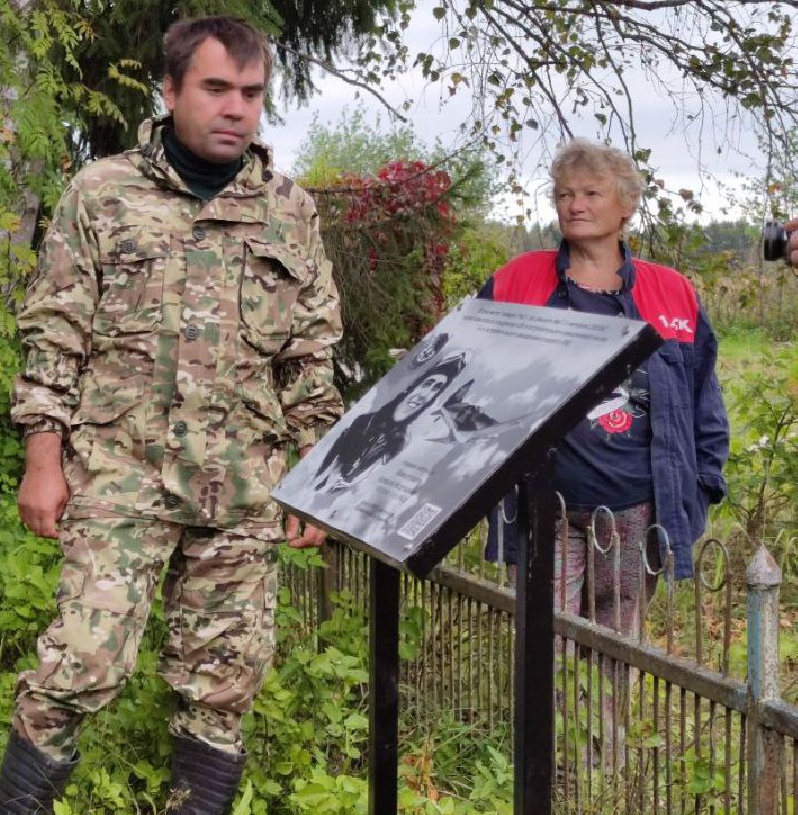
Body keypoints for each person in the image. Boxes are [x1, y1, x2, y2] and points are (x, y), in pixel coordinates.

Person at [0, 16, 344, 815]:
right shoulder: (103, 193)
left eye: (252, 94)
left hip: (243, 486)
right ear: (171, 91)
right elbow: (55, 332)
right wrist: (44, 458)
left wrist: (316, 477)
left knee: (223, 681)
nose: (237, 111)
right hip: (121, 475)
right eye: (217, 89)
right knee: (81, 658)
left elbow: (312, 356)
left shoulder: (289, 212)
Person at [480, 139, 729, 765]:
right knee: (549, 641)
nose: (574, 205)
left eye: (590, 193)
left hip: (636, 510)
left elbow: (704, 402)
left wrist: (700, 488)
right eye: (564, 194)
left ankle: (602, 767)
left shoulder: (673, 293)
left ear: (626, 207)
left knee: (616, 643)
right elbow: (471, 376)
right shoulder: (518, 282)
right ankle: (548, 767)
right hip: (548, 507)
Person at [305, 351, 466, 494]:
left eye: (436, 389)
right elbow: (328, 462)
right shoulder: (365, 420)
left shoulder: (401, 440)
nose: (426, 394)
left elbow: (365, 484)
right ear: (414, 386)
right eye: (427, 384)